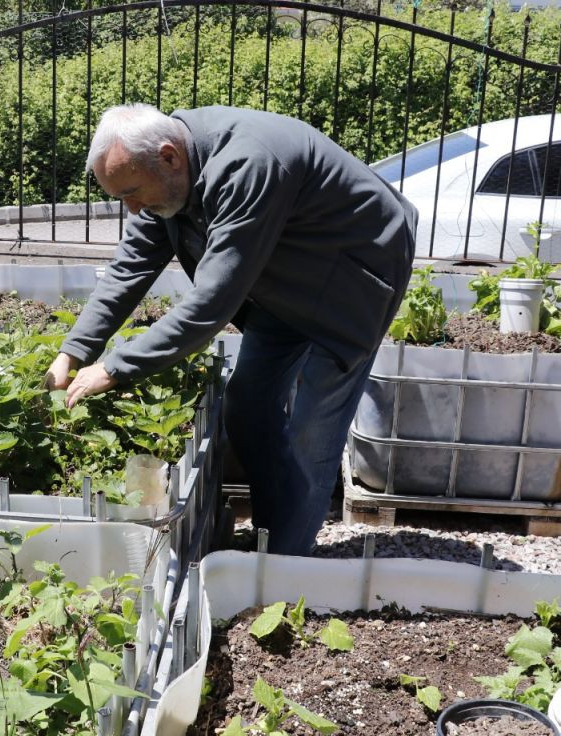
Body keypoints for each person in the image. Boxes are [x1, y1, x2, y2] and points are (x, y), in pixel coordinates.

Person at [44, 104, 417, 556]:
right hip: (282, 283)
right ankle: (270, 531)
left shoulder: (248, 164)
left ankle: (282, 567)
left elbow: (212, 303)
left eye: (133, 193)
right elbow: (128, 269)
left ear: (169, 157)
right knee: (246, 408)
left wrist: (116, 368)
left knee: (310, 437)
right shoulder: (169, 174)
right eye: (122, 197)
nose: (132, 207)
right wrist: (73, 352)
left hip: (352, 280)